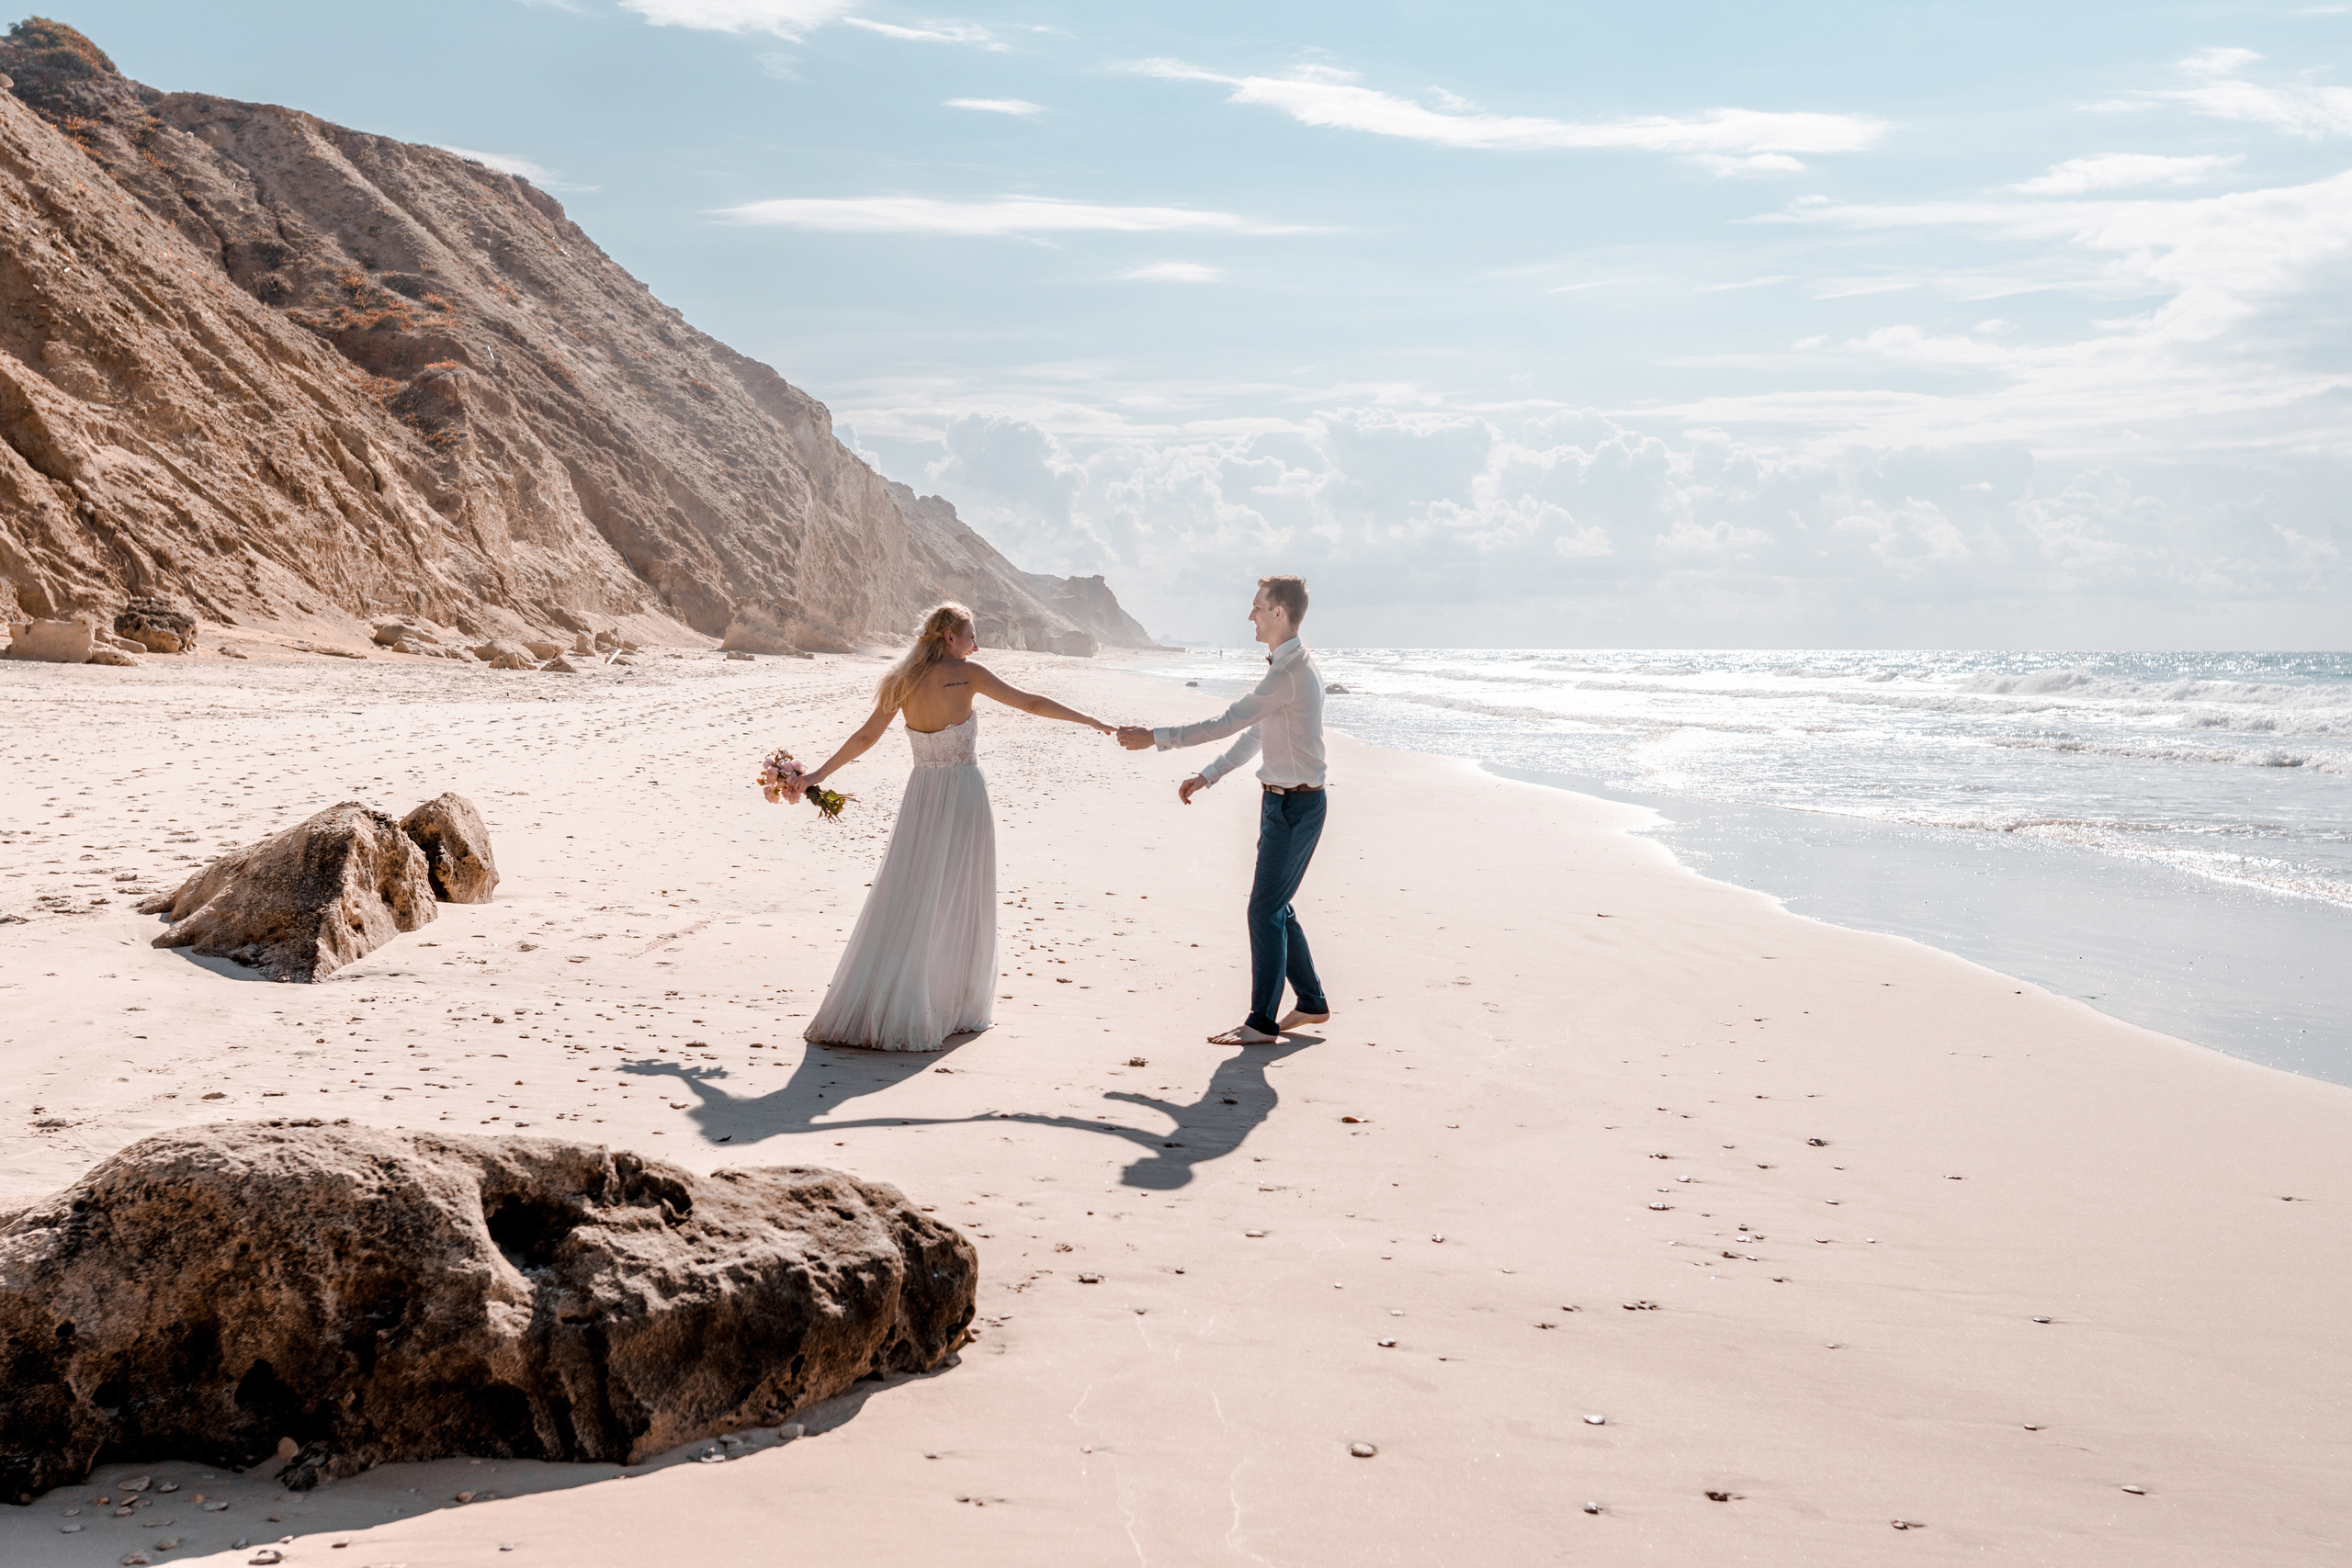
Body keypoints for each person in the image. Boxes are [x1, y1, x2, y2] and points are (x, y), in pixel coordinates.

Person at [792, 602, 1116, 1051]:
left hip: (922, 795)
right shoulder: (969, 674)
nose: (976, 644)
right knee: (959, 894)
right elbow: (1033, 703)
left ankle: (900, 997)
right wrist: (1093, 721)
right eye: (971, 635)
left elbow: (865, 738)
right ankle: (946, 1003)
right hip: (963, 794)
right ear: (950, 637)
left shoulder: (899, 681)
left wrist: (815, 777)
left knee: (911, 892)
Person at [1119, 575, 1329, 1045]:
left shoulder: (1288, 673)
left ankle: (1262, 1022)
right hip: (1283, 803)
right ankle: (1312, 1002)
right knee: (1276, 907)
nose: (1249, 615)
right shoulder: (1290, 667)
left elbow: (1226, 722)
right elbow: (1255, 733)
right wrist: (1210, 774)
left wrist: (1155, 737)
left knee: (1264, 910)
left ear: (1279, 612)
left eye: (1257, 607)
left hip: (1295, 806)